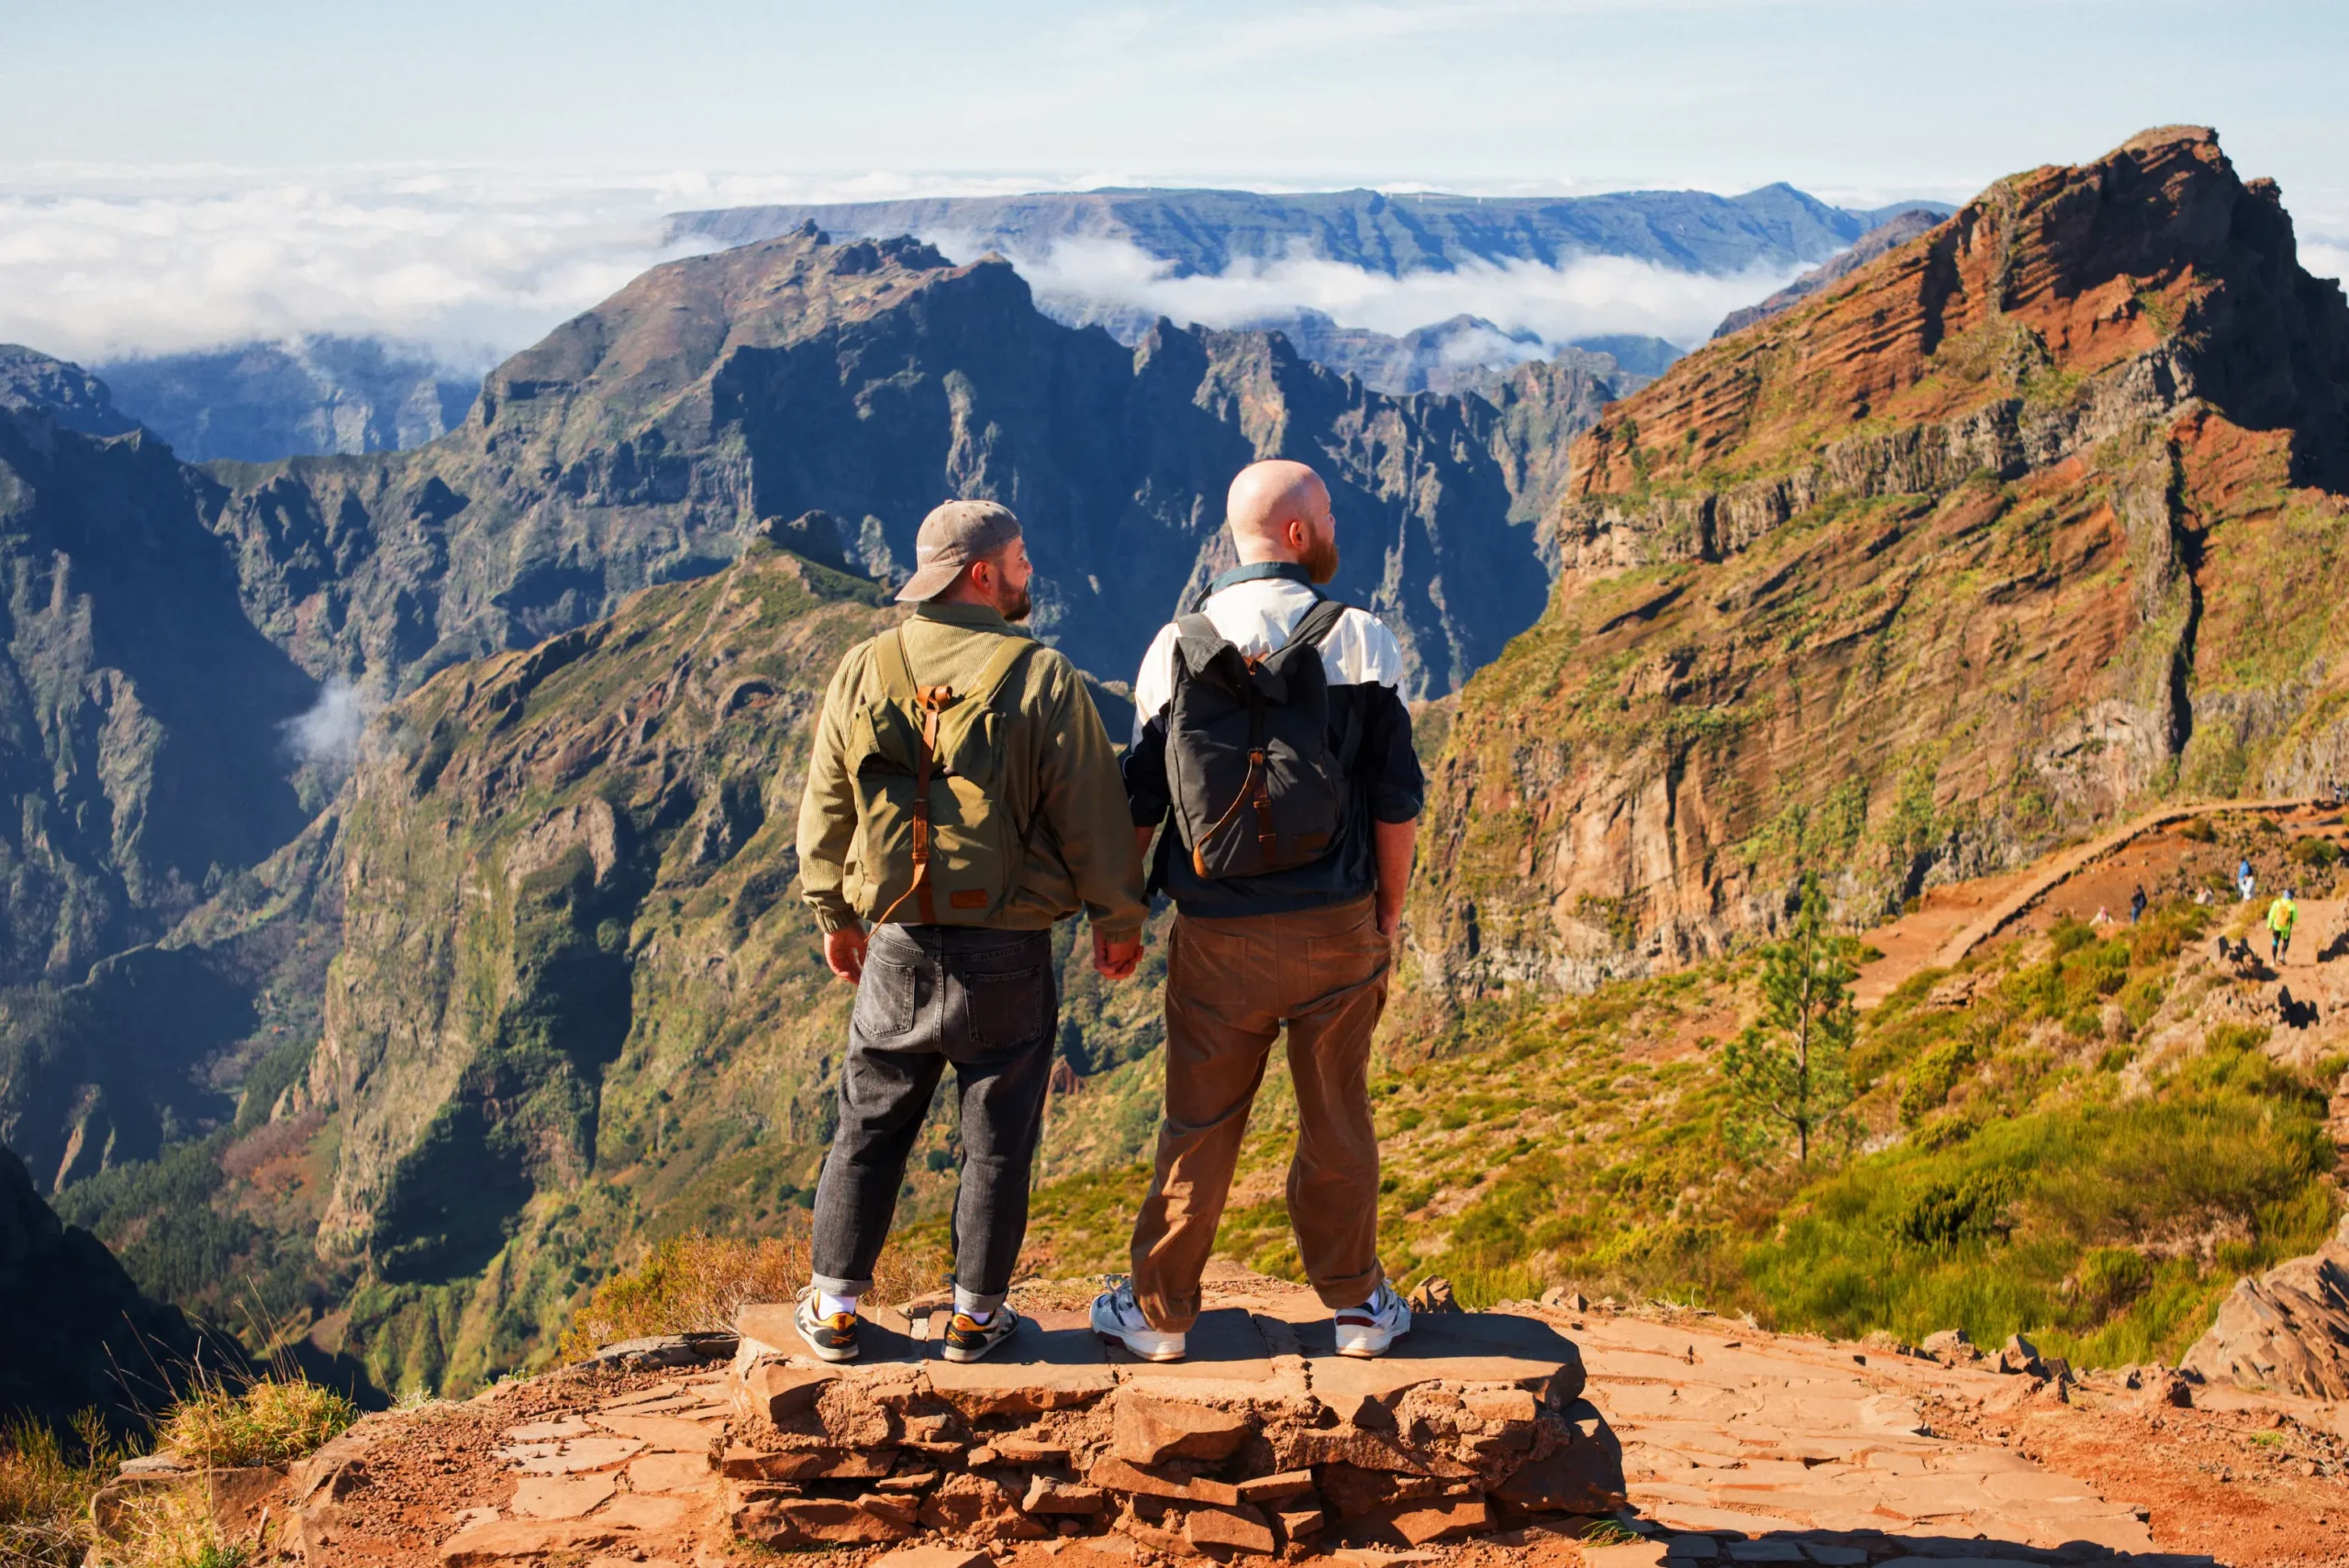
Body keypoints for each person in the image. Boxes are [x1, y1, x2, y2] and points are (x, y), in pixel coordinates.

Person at [796, 499, 1146, 1364]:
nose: (1030, 572)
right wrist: (1117, 919)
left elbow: (827, 801)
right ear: (981, 573)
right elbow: (1093, 816)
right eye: (1020, 559)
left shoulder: (866, 666)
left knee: (869, 1127)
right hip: (1008, 951)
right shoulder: (1042, 676)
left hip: (897, 943)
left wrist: (834, 912)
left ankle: (834, 1310)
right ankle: (976, 1319)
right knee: (997, 1142)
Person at [1093, 459, 1423, 1363]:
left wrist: (1120, 918)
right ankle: (1358, 1307)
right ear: (1296, 534)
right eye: (1327, 517)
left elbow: (1139, 802)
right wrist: (1388, 911)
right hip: (1336, 926)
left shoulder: (1173, 646)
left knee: (1198, 1122)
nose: (1334, 529)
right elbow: (1396, 799)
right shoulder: (1363, 640)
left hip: (1216, 935)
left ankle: (1159, 1313)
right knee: (1337, 1114)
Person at [2269, 887, 2299, 964]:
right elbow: (2295, 918)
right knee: (2286, 942)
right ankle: (2282, 956)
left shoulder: (2276, 903)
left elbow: (2271, 915)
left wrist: (2269, 925)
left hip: (2276, 927)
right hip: (2286, 928)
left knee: (2275, 942)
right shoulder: (2292, 905)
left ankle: (2273, 960)